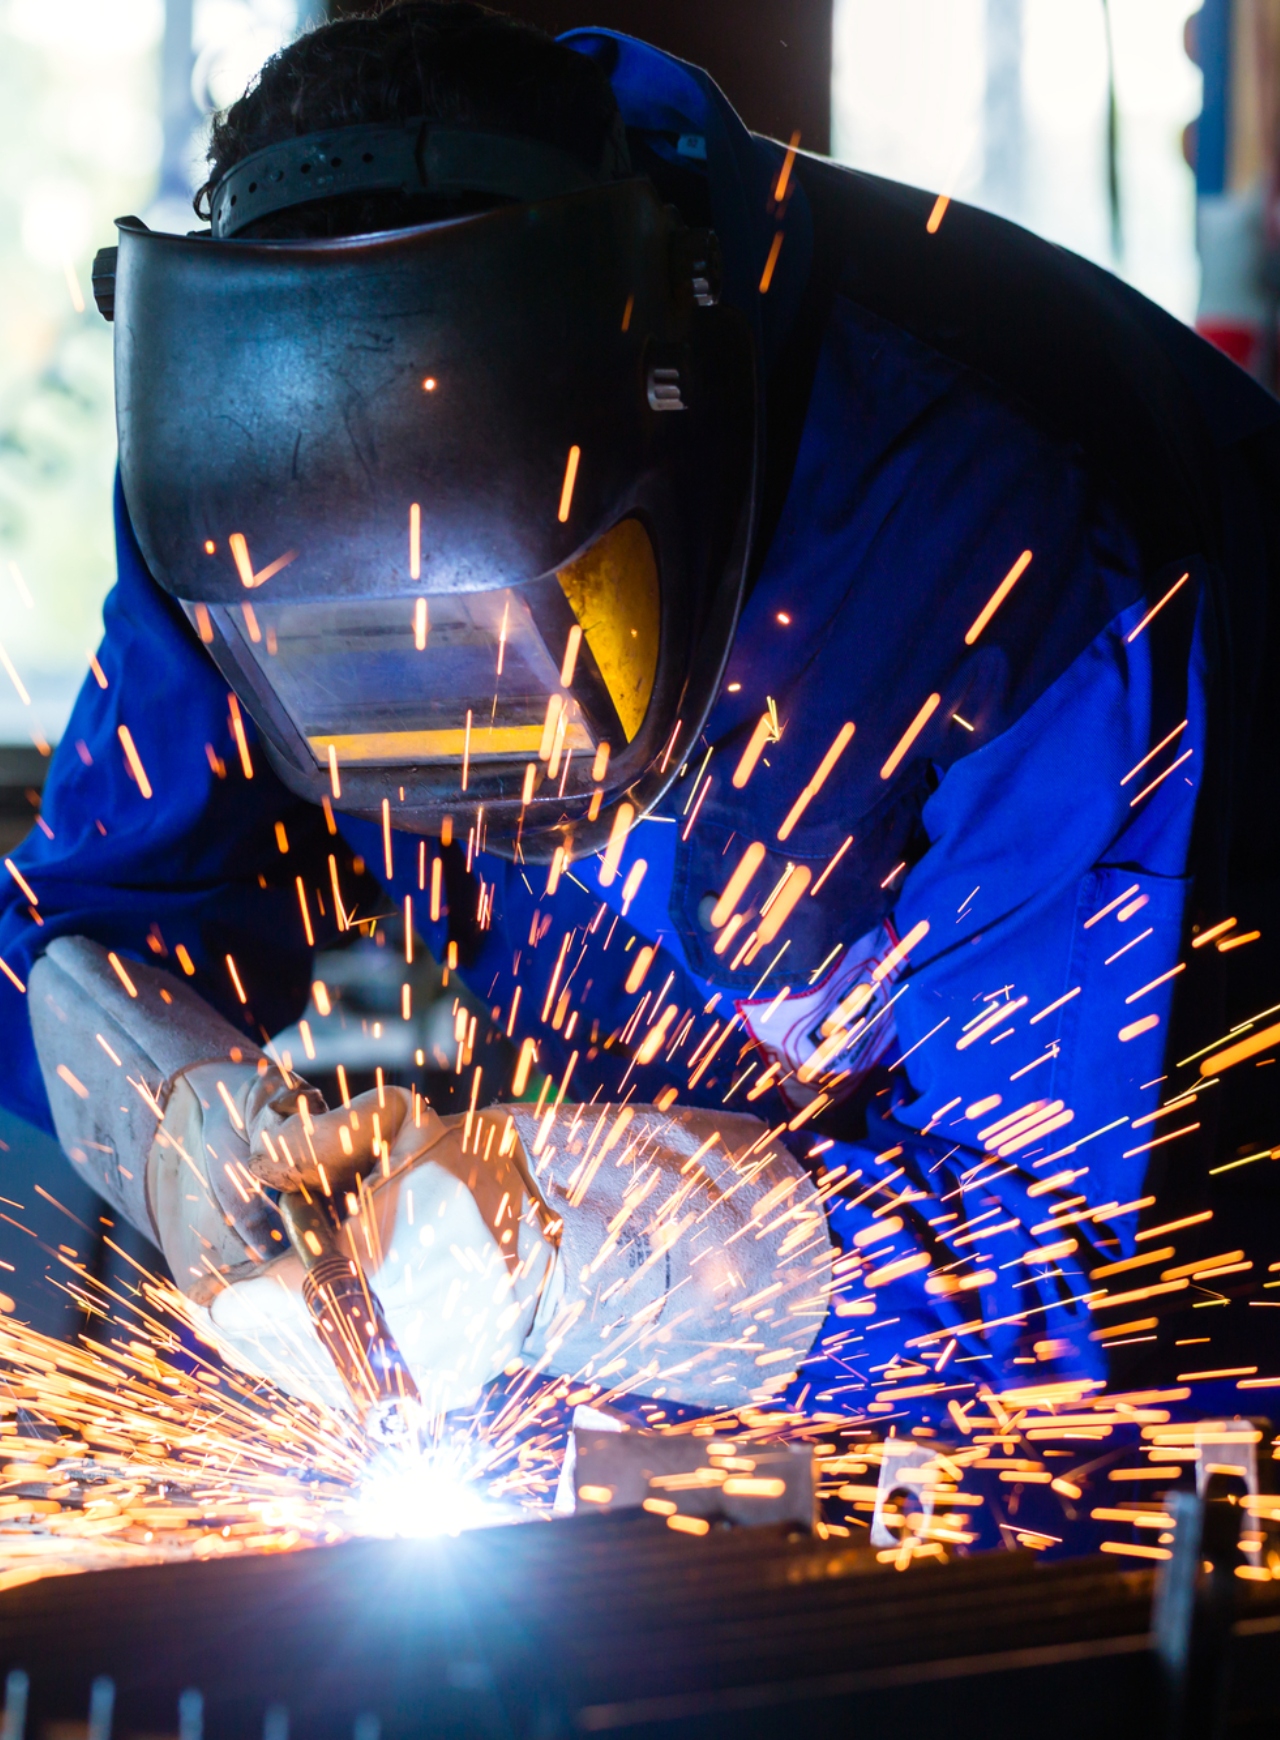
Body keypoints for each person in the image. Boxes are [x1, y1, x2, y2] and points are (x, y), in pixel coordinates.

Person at [2, 2, 1277, 1432]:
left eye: (491, 644)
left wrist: (560, 1240)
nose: (453, 751)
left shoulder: (1012, 544)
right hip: (685, 1330)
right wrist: (184, 1128)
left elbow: (1058, 1275)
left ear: (662, 455)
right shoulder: (229, 489)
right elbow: (94, 926)